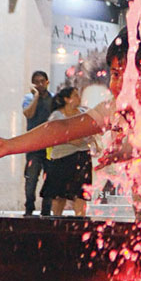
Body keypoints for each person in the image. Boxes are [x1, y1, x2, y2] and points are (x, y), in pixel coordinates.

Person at [0, 26, 141, 175]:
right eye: (116, 74)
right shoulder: (116, 108)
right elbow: (63, 127)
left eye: (130, 76)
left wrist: (123, 150)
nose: (119, 84)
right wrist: (9, 145)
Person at [41, 86, 94, 217]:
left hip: (81, 156)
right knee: (59, 194)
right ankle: (56, 219)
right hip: (62, 158)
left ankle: (80, 220)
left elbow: (89, 131)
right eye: (75, 95)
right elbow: (54, 134)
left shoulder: (83, 113)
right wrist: (71, 139)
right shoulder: (57, 116)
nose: (78, 98)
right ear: (67, 99)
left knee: (81, 193)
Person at [21, 70, 53, 216]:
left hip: (50, 146)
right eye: (37, 82)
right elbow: (28, 113)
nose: (40, 84)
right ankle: (29, 208)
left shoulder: (54, 99)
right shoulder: (29, 98)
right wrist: (36, 96)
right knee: (31, 179)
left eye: (42, 81)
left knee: (50, 179)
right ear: (33, 84)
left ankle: (46, 210)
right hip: (33, 146)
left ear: (47, 82)